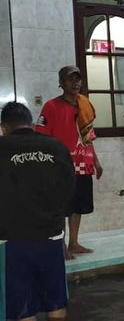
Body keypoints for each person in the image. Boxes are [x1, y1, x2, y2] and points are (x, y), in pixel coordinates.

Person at [0, 102, 75, 320]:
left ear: (4, 127)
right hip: (50, 236)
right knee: (56, 302)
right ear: (31, 123)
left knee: (23, 307)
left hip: (12, 240)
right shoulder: (56, 147)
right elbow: (69, 189)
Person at [35, 65, 103, 260]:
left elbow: (88, 137)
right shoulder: (51, 106)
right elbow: (42, 138)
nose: (75, 83)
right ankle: (61, 245)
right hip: (61, 166)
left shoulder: (85, 105)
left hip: (84, 164)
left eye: (78, 79)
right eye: (70, 79)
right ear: (61, 83)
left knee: (78, 206)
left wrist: (96, 162)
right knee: (61, 207)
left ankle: (74, 243)